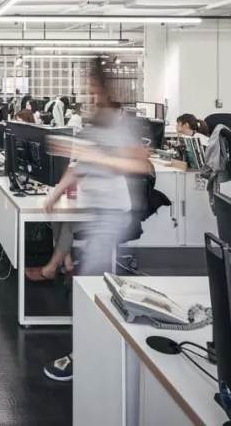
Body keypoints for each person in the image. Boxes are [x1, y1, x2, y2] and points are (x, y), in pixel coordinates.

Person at [34, 60, 153, 383]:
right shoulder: (93, 123)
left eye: (93, 88)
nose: (89, 94)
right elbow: (80, 165)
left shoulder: (122, 124)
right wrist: (56, 193)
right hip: (94, 207)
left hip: (113, 212)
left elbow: (140, 165)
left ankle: (88, 355)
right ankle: (99, 347)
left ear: (105, 88)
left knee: (90, 283)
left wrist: (99, 157)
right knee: (91, 282)